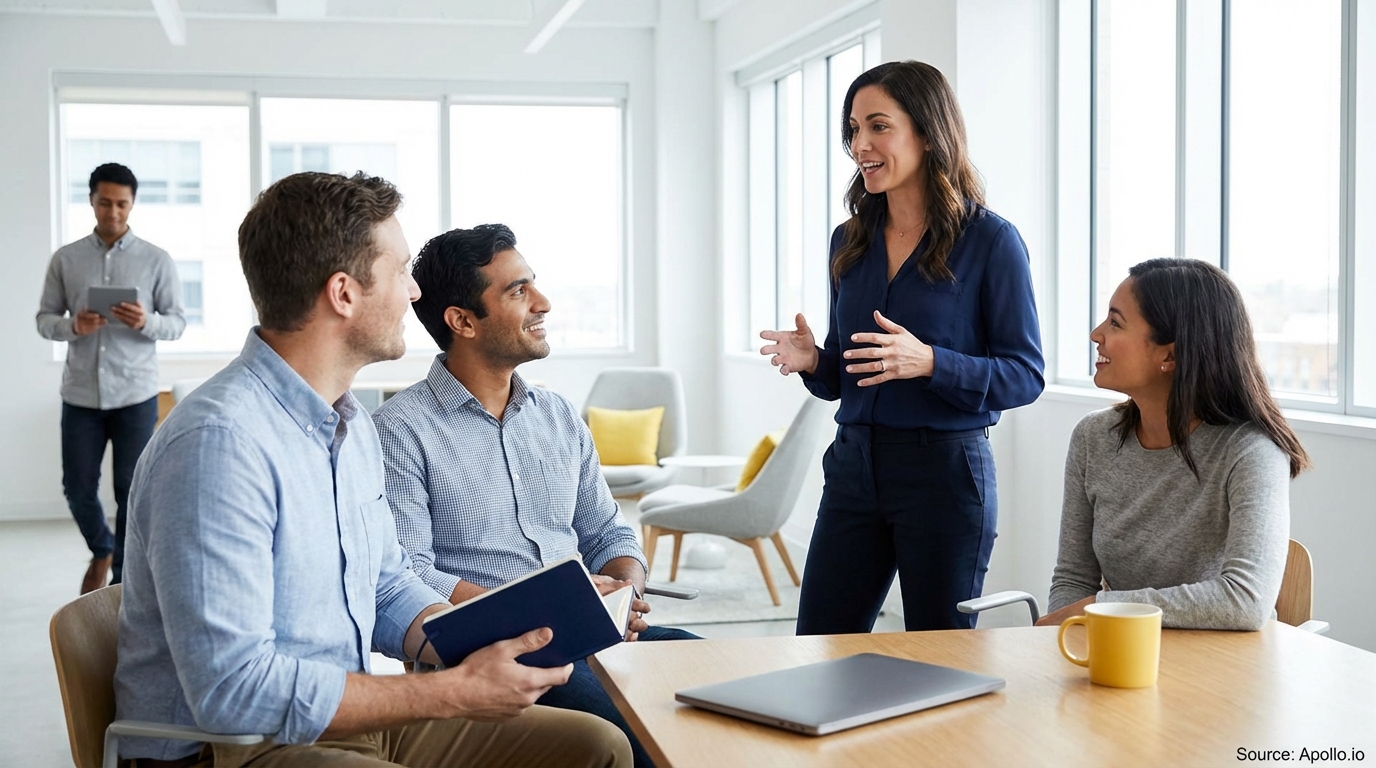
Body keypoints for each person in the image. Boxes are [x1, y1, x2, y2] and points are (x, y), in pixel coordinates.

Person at [113, 173, 630, 768]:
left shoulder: (351, 426)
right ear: (344, 293)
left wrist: (511, 633)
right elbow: (233, 693)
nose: (415, 292)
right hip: (233, 749)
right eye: (401, 269)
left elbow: (386, 585)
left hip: (347, 716)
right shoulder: (219, 444)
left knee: (597, 747)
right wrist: (449, 691)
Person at [372, 224, 696, 768]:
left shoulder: (559, 417)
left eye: (533, 285)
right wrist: (551, 605)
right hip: (503, 656)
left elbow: (606, 531)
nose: (542, 303)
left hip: (601, 632)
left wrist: (626, 597)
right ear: (462, 320)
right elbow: (410, 574)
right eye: (518, 291)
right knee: (645, 737)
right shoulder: (399, 430)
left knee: (730, 680)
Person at [759, 61, 1044, 634]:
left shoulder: (991, 241)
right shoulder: (850, 241)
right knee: (819, 643)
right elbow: (848, 372)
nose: (860, 144)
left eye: (878, 126)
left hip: (944, 472)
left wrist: (932, 362)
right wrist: (816, 360)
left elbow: (1026, 373)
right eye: (854, 129)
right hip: (854, 467)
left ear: (927, 131)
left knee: (939, 658)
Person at [1040, 259, 1308, 631]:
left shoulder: (1251, 450)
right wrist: (1066, 645)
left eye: (1115, 323)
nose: (1096, 334)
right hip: (1123, 655)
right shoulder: (1092, 438)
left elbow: (1245, 600)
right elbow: (1073, 579)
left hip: (1225, 667)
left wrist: (1102, 609)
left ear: (1170, 355)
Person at [36, 162, 185, 593]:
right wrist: (71, 328)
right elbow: (44, 319)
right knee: (78, 489)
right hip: (80, 393)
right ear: (91, 201)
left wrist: (146, 322)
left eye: (122, 204)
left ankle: (120, 585)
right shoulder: (66, 259)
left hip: (134, 394)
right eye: (105, 202)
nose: (113, 212)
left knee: (129, 492)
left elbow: (176, 322)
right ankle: (101, 547)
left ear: (132, 203)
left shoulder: (156, 259)